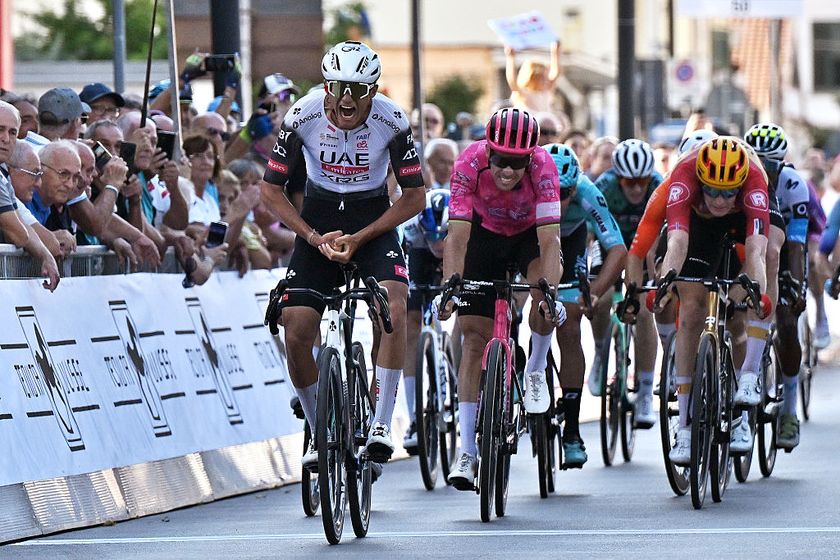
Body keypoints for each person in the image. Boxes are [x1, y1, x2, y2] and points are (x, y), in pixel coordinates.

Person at [261, 40, 426, 468]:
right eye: (338, 87)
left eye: (358, 88)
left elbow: (414, 198)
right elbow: (270, 190)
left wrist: (364, 235)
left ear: (374, 90)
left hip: (370, 219)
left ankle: (381, 425)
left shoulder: (392, 119)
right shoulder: (303, 114)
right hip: (318, 220)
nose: (347, 99)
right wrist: (312, 238)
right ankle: (320, 432)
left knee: (393, 303)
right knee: (295, 327)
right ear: (325, 86)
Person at [437, 108, 566, 489]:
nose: (507, 172)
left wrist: (550, 293)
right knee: (473, 342)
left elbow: (550, 241)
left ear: (530, 158)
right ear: (487, 152)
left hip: (529, 236)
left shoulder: (544, 167)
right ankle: (466, 451)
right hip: (483, 237)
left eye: (516, 164)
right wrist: (450, 286)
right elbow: (457, 238)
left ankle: (536, 369)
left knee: (544, 298)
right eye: (500, 162)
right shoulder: (468, 163)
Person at [656, 137, 771, 465]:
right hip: (698, 229)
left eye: (728, 192)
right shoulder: (684, 172)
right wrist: (666, 281)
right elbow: (677, 241)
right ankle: (685, 426)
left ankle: (739, 414)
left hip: (741, 228)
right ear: (700, 181)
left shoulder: (754, 181)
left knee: (737, 313)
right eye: (712, 191)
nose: (720, 199)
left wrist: (751, 290)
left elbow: (757, 250)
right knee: (690, 312)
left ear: (740, 186)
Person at [545, 143, 626, 467]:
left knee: (570, 323)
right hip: (531, 238)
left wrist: (594, 291)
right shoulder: (525, 187)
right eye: (553, 193)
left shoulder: (587, 192)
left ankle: (573, 431)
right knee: (514, 299)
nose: (560, 201)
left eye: (566, 193)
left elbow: (617, 249)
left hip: (572, 241)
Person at [744, 123, 810, 450]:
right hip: (753, 245)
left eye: (771, 164)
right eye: (758, 161)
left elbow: (796, 244)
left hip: (785, 254)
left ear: (781, 163)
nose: (764, 170)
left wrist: (794, 286)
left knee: (786, 322)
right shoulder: (740, 177)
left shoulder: (794, 185)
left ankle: (790, 411)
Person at [589, 139, 663, 428]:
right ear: (617, 177)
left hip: (645, 246)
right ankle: (599, 351)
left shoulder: (658, 187)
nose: (635, 188)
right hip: (611, 245)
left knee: (645, 312)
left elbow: (659, 239)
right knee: (601, 298)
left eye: (641, 181)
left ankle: (645, 391)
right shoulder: (604, 187)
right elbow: (590, 232)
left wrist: (654, 277)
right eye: (628, 182)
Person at [401, 188, 451, 451]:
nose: (438, 243)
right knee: (411, 323)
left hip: (459, 253)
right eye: (434, 236)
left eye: (442, 236)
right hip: (417, 257)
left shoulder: (464, 220)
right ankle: (413, 419)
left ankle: (451, 383)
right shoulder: (410, 226)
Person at [0, 100, 60, 291]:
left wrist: (45, 256)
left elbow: (21, 221)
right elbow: (17, 233)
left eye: (12, 132)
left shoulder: (2, 174)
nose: (6, 139)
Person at [505, 41, 562, 114]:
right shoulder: (525, 93)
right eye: (541, 78)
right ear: (531, 78)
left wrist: (556, 52)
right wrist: (510, 58)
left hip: (543, 125)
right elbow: (512, 81)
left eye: (545, 77)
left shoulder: (546, 92)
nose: (545, 80)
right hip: (529, 125)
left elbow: (555, 74)